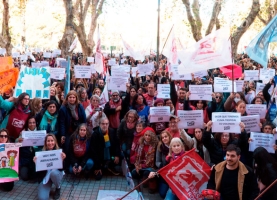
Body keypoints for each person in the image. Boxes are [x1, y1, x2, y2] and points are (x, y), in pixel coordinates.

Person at [34, 134, 66, 200]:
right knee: (42, 198)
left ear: (55, 142)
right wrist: (36, 164)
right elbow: (38, 173)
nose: (50, 143)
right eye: (48, 141)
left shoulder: (59, 151)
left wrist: (63, 160)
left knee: (54, 173)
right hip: (45, 177)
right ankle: (47, 187)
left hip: (56, 174)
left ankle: (58, 187)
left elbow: (63, 168)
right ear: (45, 142)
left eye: (52, 140)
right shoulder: (41, 154)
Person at [132, 129, 158, 193]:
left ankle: (152, 187)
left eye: (149, 135)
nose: (147, 137)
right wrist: (137, 165)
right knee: (133, 173)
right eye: (146, 135)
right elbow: (137, 156)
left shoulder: (154, 146)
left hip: (150, 166)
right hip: (141, 165)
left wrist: (140, 166)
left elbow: (150, 161)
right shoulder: (141, 144)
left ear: (152, 136)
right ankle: (143, 180)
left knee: (147, 172)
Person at [16, 117, 37, 181]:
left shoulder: (40, 132)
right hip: (25, 160)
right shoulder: (23, 132)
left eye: (33, 122)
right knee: (24, 177)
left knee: (35, 177)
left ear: (36, 123)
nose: (32, 124)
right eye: (30, 123)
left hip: (35, 159)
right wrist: (18, 140)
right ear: (27, 124)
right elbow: (16, 143)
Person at [155, 130, 173, 198]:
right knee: (162, 194)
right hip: (164, 171)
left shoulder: (174, 145)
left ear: (169, 136)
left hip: (173, 172)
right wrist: (164, 164)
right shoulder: (160, 147)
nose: (164, 138)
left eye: (166, 136)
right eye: (162, 137)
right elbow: (157, 162)